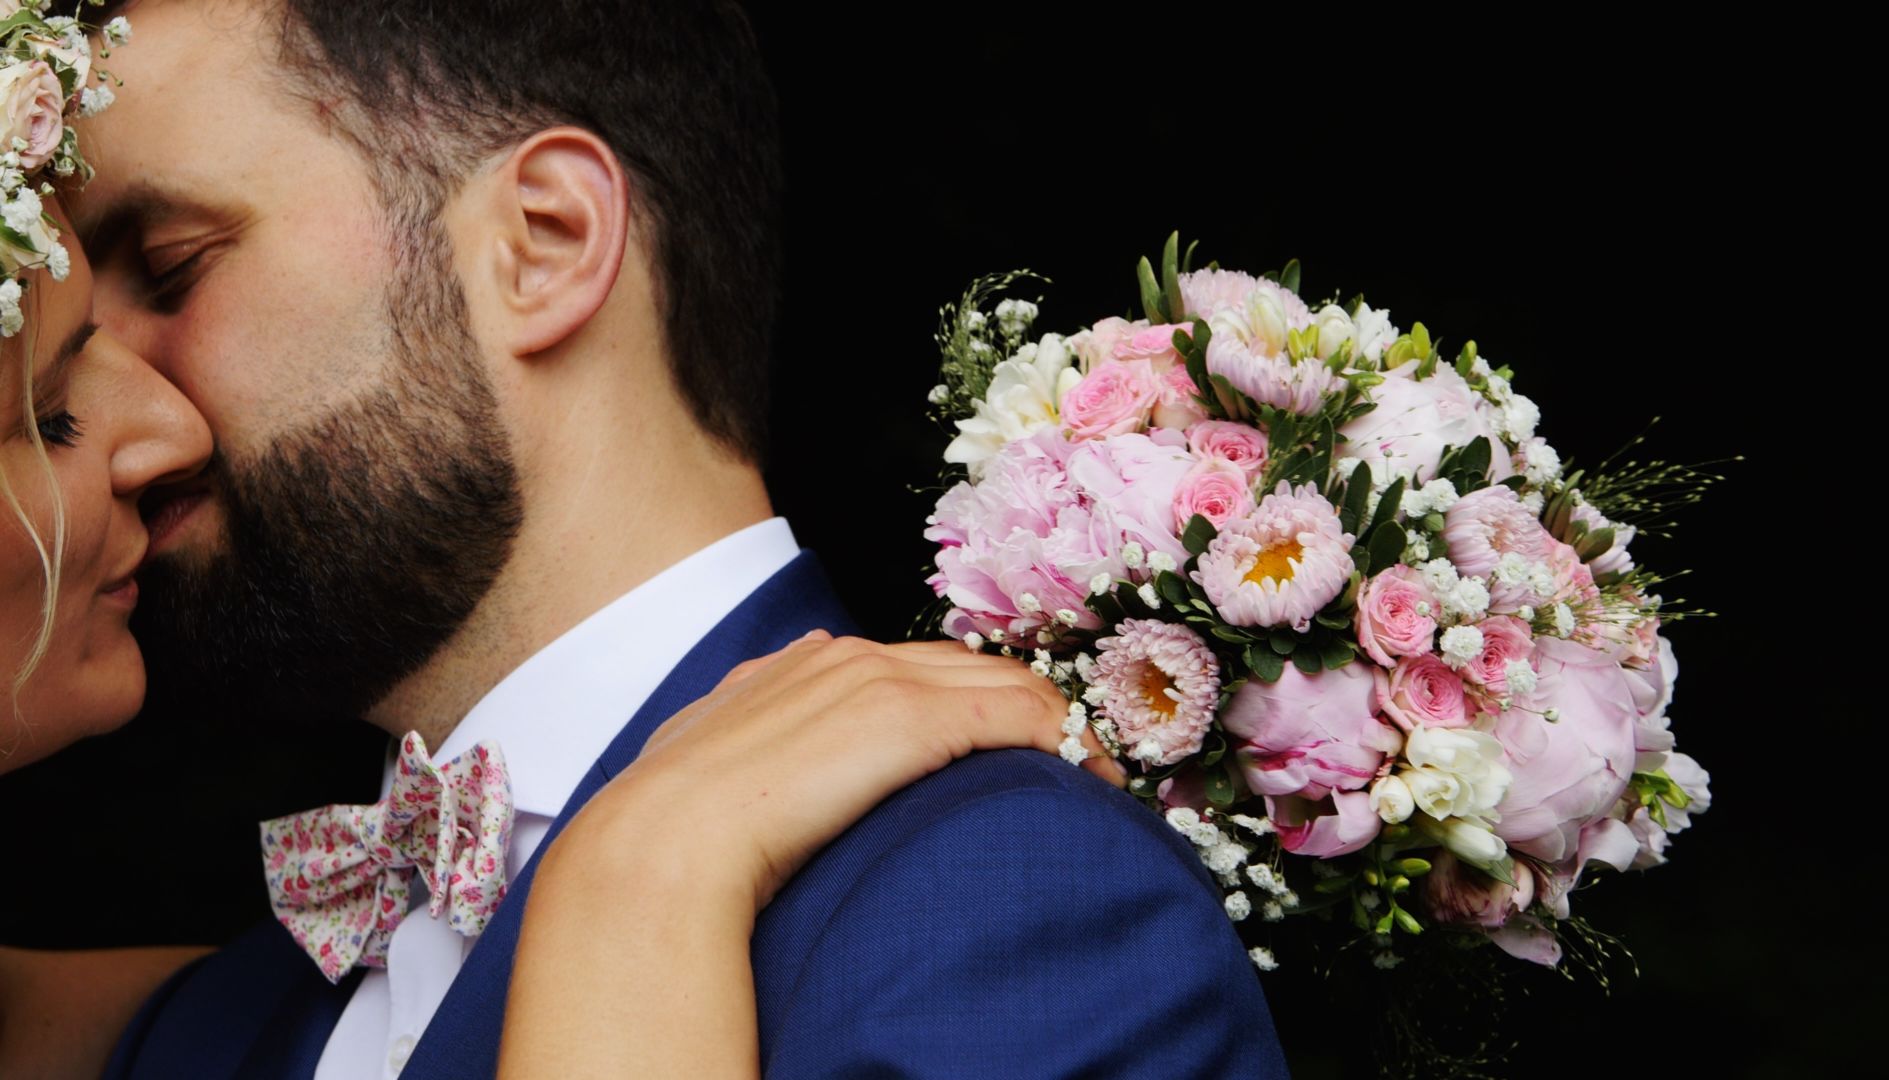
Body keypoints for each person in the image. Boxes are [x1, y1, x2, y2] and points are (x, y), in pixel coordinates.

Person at [45, 1, 1289, 1076]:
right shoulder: (211, 1027)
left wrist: (631, 883)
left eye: (169, 269)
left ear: (546, 241)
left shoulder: (1009, 902)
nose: (109, 421)